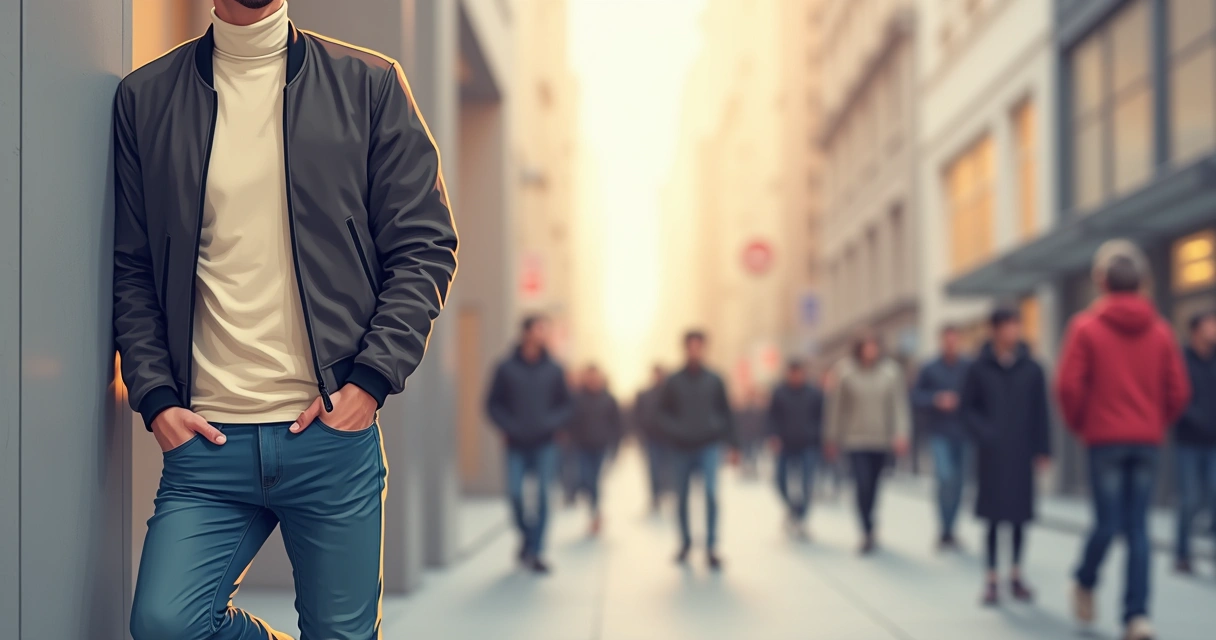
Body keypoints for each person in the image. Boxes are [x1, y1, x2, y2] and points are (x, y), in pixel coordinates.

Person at [114, 1, 459, 637]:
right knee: (166, 624)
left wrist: (369, 382)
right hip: (208, 441)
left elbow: (424, 244)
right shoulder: (146, 99)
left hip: (328, 436)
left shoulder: (368, 84)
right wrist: (157, 399)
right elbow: (132, 268)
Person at [1056, 243, 1190, 640]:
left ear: (1101, 281)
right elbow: (1179, 390)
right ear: (1144, 282)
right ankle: (1136, 616)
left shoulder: (1085, 327)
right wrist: (1154, 421)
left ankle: (1084, 580)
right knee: (1138, 530)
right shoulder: (1162, 331)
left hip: (1104, 440)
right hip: (1146, 440)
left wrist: (1084, 424)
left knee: (1107, 522)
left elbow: (1067, 386)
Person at [960, 308, 1052, 606]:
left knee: (1019, 518)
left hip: (1021, 453)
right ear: (995, 330)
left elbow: (1042, 412)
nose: (1013, 332)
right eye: (1008, 326)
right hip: (991, 455)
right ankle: (990, 579)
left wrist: (1043, 450)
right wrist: (985, 433)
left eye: (1017, 325)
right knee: (992, 518)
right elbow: (967, 409)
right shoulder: (978, 368)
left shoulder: (1032, 368)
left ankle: (1015, 575)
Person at [486, 315, 575, 574]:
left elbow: (567, 405)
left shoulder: (555, 369)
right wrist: (506, 426)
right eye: (539, 329)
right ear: (526, 333)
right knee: (515, 494)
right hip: (515, 443)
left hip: (546, 444)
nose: (543, 334)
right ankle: (526, 537)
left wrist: (554, 424)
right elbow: (492, 404)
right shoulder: (505, 367)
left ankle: (536, 551)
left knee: (544, 498)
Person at [825, 331, 911, 554]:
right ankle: (865, 530)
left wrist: (901, 433)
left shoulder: (891, 372)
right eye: (867, 345)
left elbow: (898, 406)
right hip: (855, 440)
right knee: (861, 484)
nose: (871, 349)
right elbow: (836, 408)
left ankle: (871, 521)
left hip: (881, 440)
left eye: (874, 345)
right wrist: (831, 437)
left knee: (874, 485)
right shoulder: (845, 373)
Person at [658, 330, 736, 570]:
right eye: (690, 346)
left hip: (708, 446)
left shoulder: (715, 379)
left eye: (698, 346)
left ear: (704, 348)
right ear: (685, 349)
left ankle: (711, 547)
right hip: (681, 448)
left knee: (711, 495)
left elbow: (726, 412)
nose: (694, 350)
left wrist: (733, 444)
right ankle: (685, 543)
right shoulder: (673, 380)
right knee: (681, 497)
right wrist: (676, 430)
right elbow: (661, 414)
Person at [912, 325, 972, 551]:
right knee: (945, 478)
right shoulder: (929, 368)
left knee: (959, 483)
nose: (951, 344)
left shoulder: (968, 367)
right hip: (939, 432)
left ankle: (950, 530)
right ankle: (943, 526)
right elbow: (916, 396)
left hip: (964, 432)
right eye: (947, 340)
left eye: (955, 340)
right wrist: (936, 400)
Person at [1174, 309, 1216, 575]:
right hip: (1188, 440)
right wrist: (1194, 417)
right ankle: (1183, 554)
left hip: (1214, 441)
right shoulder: (1181, 359)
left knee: (1215, 495)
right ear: (1195, 330)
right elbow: (1176, 395)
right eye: (1210, 324)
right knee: (1189, 499)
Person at [768, 360, 826, 539]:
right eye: (792, 373)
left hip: (808, 445)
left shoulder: (814, 393)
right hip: (785, 445)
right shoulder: (779, 392)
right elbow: (771, 417)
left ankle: (801, 517)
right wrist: (773, 436)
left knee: (807, 484)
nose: (796, 376)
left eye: (799, 372)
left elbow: (822, 417)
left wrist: (820, 439)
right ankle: (792, 507)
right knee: (779, 480)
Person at [569, 365, 623, 535]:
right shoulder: (578, 399)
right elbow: (571, 421)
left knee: (595, 480)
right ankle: (595, 511)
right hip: (582, 447)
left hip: (601, 447)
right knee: (586, 479)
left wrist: (615, 447)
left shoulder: (609, 399)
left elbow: (618, 424)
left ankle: (595, 514)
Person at [635, 365, 670, 513]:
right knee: (653, 469)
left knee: (665, 469)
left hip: (667, 439)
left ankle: (662, 492)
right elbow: (637, 415)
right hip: (650, 438)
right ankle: (655, 496)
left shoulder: (670, 394)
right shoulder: (645, 394)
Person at [735, 388, 767, 479]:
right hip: (745, 435)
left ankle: (752, 469)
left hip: (754, 435)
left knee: (754, 454)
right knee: (745, 453)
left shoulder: (758, 410)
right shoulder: (742, 410)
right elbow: (739, 422)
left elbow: (761, 423)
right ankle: (745, 470)